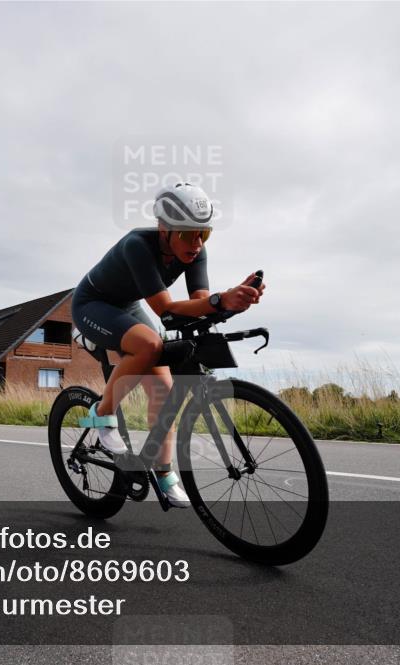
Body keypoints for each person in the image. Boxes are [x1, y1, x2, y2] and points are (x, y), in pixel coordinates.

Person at [71, 182, 265, 508]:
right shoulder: (137, 245)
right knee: (149, 346)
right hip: (92, 304)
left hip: (128, 306)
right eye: (188, 234)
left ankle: (163, 473)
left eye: (204, 234)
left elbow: (199, 305)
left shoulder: (195, 252)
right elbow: (166, 310)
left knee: (164, 388)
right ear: (164, 228)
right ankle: (101, 413)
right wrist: (221, 300)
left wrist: (234, 303)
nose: (196, 243)